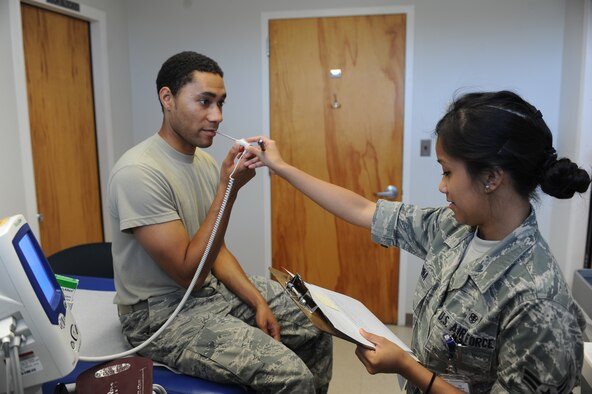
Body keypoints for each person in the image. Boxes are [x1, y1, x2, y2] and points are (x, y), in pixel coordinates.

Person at [246, 90, 591, 393]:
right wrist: (281, 167)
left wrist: (409, 368)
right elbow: (363, 209)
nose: (442, 187)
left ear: (491, 177)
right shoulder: (453, 228)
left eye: (447, 172)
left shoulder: (538, 303)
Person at [108, 51, 332, 393]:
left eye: (221, 103)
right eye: (204, 102)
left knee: (316, 321)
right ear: (167, 98)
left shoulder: (204, 163)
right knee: (291, 377)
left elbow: (216, 250)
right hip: (161, 316)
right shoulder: (138, 172)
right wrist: (229, 189)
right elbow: (189, 275)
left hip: (209, 292)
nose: (217, 116)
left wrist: (257, 301)